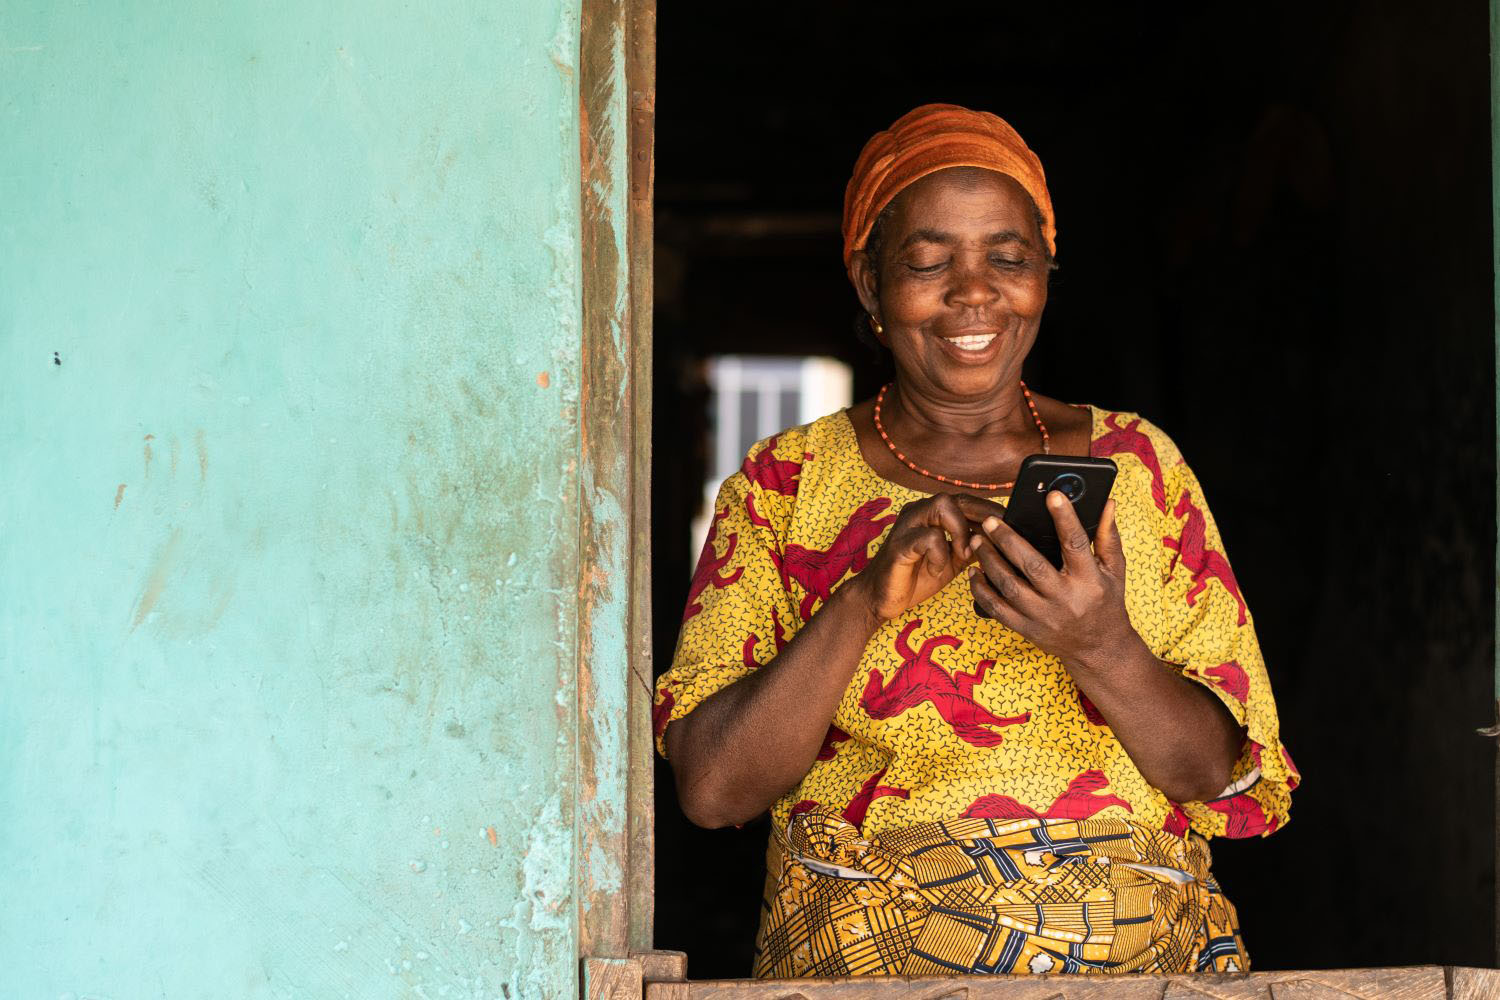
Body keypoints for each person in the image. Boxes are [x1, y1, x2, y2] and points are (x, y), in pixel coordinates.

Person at [654, 103, 1298, 978]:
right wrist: (862, 600)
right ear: (869, 282)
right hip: (866, 974)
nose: (974, 292)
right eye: (928, 261)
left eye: (1008, 257)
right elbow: (713, 789)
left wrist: (1100, 644)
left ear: (1044, 275)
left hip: (1141, 971)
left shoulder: (1138, 466)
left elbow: (1213, 776)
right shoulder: (785, 484)